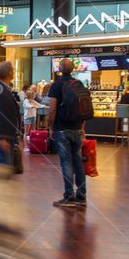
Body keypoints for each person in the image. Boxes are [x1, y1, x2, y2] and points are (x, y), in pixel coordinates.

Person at [47, 58, 87, 208]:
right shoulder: (79, 84)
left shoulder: (56, 85)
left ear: (59, 69)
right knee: (78, 161)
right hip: (77, 127)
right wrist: (83, 127)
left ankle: (69, 196)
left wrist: (51, 127)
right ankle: (81, 196)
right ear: (73, 69)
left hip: (62, 128)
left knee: (66, 162)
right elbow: (84, 107)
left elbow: (52, 108)